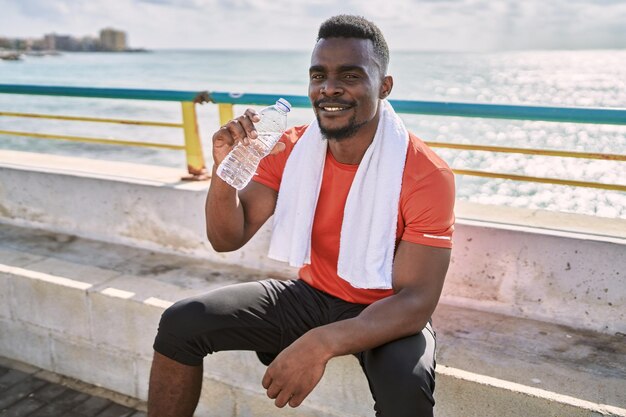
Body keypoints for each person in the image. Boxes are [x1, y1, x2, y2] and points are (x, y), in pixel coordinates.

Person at [148, 14, 455, 417]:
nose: (329, 88)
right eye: (318, 76)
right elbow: (227, 238)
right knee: (181, 323)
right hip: (312, 295)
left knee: (407, 388)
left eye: (350, 76)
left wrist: (320, 343)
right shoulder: (290, 150)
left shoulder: (424, 173)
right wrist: (225, 171)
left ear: (384, 86)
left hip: (385, 307)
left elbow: (416, 302)